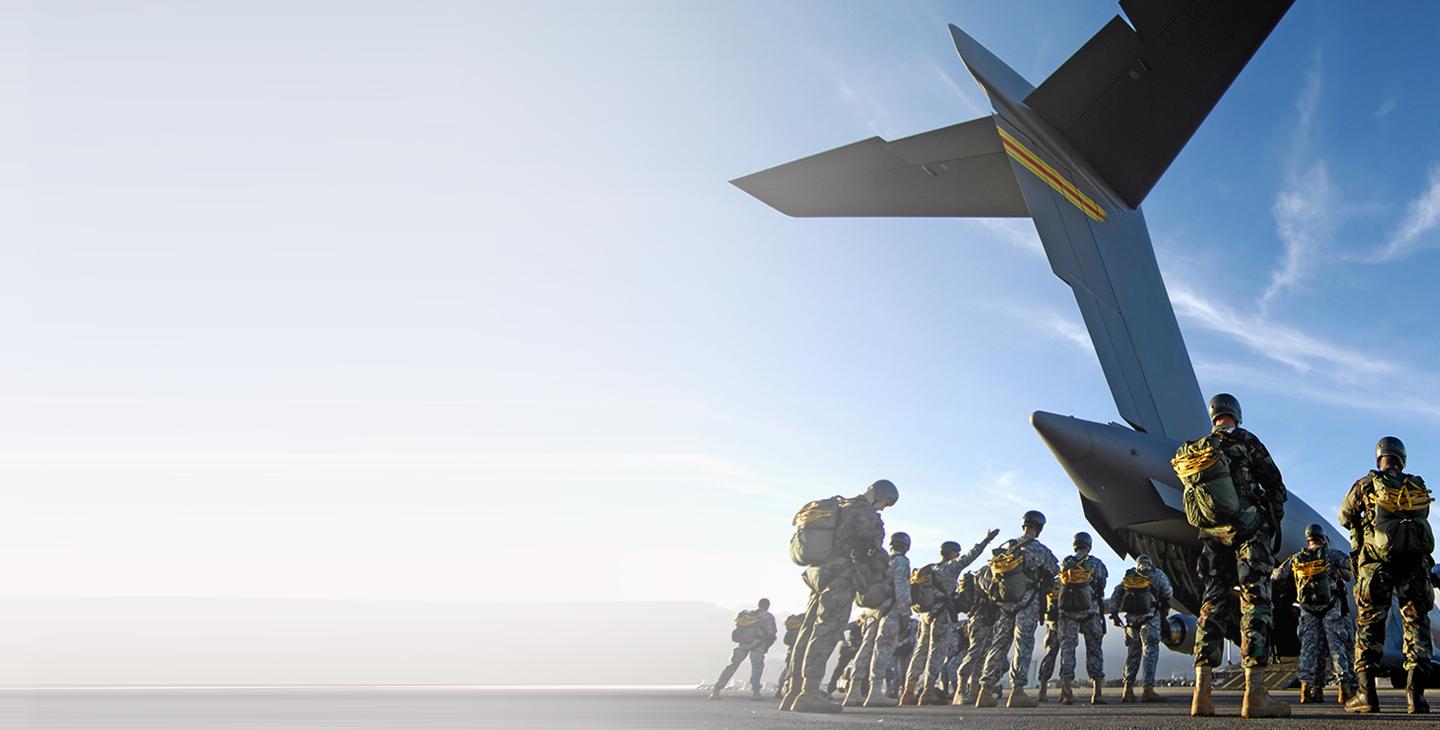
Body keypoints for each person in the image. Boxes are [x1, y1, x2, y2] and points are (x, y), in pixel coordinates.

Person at [1187, 393, 1289, 718]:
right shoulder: (1245, 440)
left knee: (1212, 605)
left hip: (1213, 536)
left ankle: (1201, 696)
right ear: (1236, 414)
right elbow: (1275, 484)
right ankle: (1255, 695)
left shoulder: (1200, 448)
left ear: (1213, 415)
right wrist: (1270, 518)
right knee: (1255, 601)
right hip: (1248, 531)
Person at [781, 479, 897, 714]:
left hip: (820, 572)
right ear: (879, 495)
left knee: (809, 629)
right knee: (827, 630)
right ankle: (809, 693)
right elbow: (873, 544)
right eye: (885, 502)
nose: (883, 508)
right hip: (842, 575)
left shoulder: (840, 504)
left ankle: (794, 690)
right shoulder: (864, 512)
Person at [1340, 437, 1434, 714]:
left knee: (1370, 625)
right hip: (1415, 564)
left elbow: (1345, 517)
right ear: (1402, 459)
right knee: (1417, 625)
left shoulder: (1366, 485)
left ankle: (1366, 695)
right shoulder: (1414, 485)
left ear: (1379, 458)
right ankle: (1415, 697)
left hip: (1376, 563)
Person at [901, 529, 1000, 705]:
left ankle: (908, 691)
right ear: (952, 553)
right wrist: (986, 540)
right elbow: (970, 557)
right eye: (957, 552)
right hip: (941, 614)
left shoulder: (929, 569)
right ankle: (928, 691)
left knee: (920, 651)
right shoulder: (950, 567)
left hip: (924, 614)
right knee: (936, 651)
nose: (958, 555)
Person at [975, 510, 1059, 708]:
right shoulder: (1040, 549)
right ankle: (1018, 691)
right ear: (1039, 528)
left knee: (998, 644)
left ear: (1024, 525)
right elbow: (1055, 570)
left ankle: (985, 691)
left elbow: (983, 576)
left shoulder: (1005, 547)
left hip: (1005, 605)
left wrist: (996, 594)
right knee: (1024, 643)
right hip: (1027, 601)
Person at [1271, 523, 1355, 704]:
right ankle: (1344, 690)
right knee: (1336, 648)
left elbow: (1277, 576)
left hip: (1307, 610)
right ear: (1322, 537)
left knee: (1309, 649)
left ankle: (1308, 691)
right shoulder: (1331, 555)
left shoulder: (1297, 558)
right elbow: (1352, 566)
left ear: (1307, 538)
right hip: (1331, 608)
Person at [844, 531, 913, 707]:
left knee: (865, 649)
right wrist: (905, 614)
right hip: (890, 611)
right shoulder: (901, 562)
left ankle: (853, 690)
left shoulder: (880, 561)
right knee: (883, 649)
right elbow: (902, 588)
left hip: (871, 611)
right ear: (906, 546)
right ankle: (875, 691)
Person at [1109, 554, 1173, 703]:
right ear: (1150, 563)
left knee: (1132, 654)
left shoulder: (1130, 576)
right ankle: (1147, 690)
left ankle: (1127, 690)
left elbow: (1116, 594)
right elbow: (1168, 593)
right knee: (1150, 651)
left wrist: (1114, 614)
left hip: (1131, 622)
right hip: (1150, 619)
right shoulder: (1156, 574)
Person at [1055, 531, 1108, 705]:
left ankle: (1066, 691)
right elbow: (1101, 586)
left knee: (1067, 650)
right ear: (1089, 545)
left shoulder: (1065, 563)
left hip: (1067, 613)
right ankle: (1097, 693)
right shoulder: (1096, 564)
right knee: (1094, 650)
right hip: (1090, 611)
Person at [709, 598, 777, 701]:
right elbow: (771, 632)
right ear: (767, 605)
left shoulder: (748, 615)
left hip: (742, 644)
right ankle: (756, 693)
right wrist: (767, 645)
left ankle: (717, 690)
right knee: (757, 668)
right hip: (758, 644)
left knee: (732, 666)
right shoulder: (767, 616)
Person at [954, 567, 996, 706]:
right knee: (974, 653)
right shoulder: (985, 572)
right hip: (979, 618)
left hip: (989, 619)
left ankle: (973, 692)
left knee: (982, 657)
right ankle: (960, 691)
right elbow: (990, 590)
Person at [1035, 586, 1061, 702]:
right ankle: (1066, 691)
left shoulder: (1054, 582)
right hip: (1069, 619)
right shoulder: (1082, 575)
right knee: (1068, 653)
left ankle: (1043, 689)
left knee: (1050, 653)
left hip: (1053, 621)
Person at [826, 620, 865, 697]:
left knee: (862, 670)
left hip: (861, 649)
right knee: (839, 669)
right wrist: (844, 641)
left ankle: (861, 690)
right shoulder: (856, 623)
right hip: (850, 649)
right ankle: (830, 690)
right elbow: (841, 629)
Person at [774, 613, 803, 699]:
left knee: (787, 670)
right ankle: (791, 690)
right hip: (801, 652)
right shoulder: (805, 624)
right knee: (797, 671)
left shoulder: (792, 627)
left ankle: (780, 690)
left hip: (791, 651)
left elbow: (786, 641)